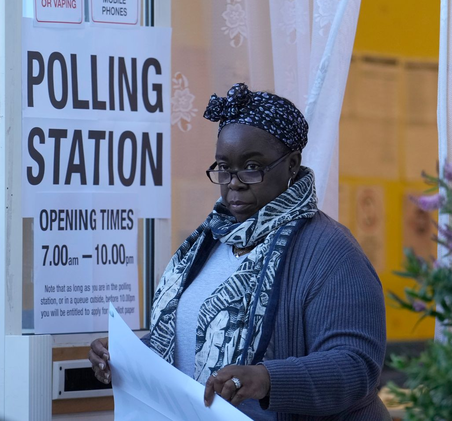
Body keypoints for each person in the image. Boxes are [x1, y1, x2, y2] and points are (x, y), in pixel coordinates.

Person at [89, 83, 390, 420]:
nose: (234, 182)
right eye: (224, 167)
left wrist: (267, 379)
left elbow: (356, 365)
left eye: (251, 166)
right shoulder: (211, 240)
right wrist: (127, 355)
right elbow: (194, 345)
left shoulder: (331, 252)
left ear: (292, 164)